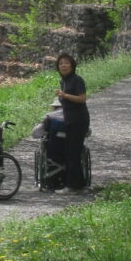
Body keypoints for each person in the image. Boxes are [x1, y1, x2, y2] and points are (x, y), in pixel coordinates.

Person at [54, 52, 90, 193]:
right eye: (61, 63)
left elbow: (82, 99)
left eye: (66, 63)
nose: (63, 65)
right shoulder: (63, 82)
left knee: (73, 153)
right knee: (70, 152)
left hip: (78, 120)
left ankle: (73, 186)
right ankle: (79, 184)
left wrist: (65, 95)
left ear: (72, 65)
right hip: (69, 120)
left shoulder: (77, 80)